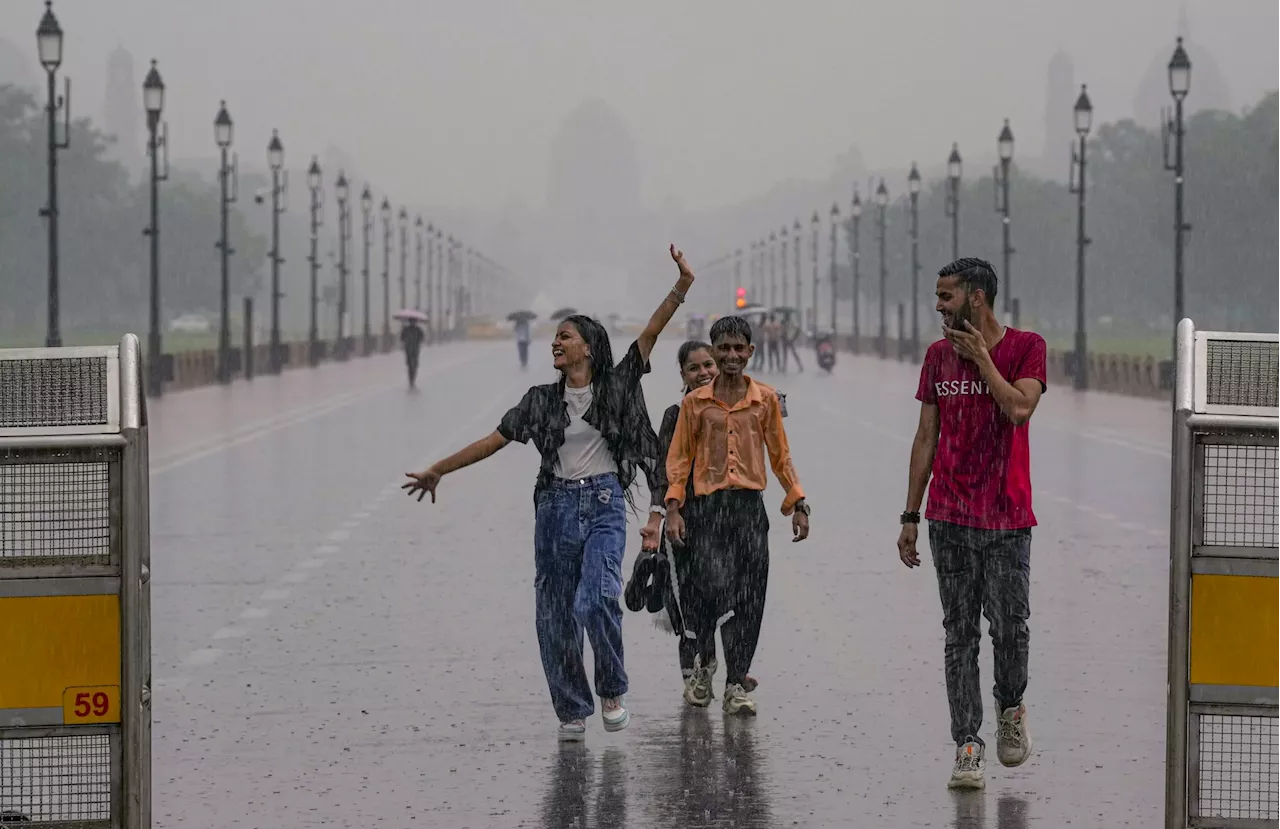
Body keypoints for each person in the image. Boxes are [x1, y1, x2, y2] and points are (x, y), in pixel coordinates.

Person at [403, 245, 696, 742]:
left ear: (588, 347)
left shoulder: (619, 384)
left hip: (603, 504)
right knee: (555, 612)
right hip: (555, 510)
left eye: (565, 336)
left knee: (597, 598)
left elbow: (650, 332)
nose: (555, 343)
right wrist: (440, 469)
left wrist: (682, 285)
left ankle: (611, 689)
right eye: (556, 337)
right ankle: (571, 710)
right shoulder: (540, 401)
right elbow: (491, 442)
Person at [896, 257, 1046, 790]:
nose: (938, 306)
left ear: (976, 297)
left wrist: (983, 360)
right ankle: (966, 744)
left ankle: (1010, 708)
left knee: (1009, 627)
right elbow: (924, 438)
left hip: (1007, 519)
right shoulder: (937, 358)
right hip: (950, 518)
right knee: (958, 635)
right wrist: (911, 514)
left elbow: (1019, 410)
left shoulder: (1026, 347)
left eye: (946, 296)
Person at [664, 316, 810, 716]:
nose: (730, 356)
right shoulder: (694, 404)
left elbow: (780, 454)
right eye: (722, 349)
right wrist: (673, 508)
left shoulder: (763, 400)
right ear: (713, 351)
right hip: (707, 512)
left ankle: (735, 683)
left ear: (750, 352)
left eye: (738, 348)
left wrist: (797, 502)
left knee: (749, 599)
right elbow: (679, 459)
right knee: (710, 592)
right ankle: (704, 665)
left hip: (748, 510)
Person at [635, 341, 760, 702]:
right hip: (686, 524)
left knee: (734, 599)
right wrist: (659, 516)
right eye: (694, 368)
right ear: (683, 376)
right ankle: (697, 674)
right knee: (691, 604)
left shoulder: (737, 410)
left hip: (730, 522)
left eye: (709, 365)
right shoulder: (675, 416)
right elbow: (663, 472)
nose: (704, 372)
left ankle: (735, 675)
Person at [401, 319, 425, 389]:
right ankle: (412, 380)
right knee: (412, 365)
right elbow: (422, 338)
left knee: (411, 365)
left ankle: (411, 380)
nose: (413, 323)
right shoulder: (417, 329)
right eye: (412, 322)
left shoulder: (408, 329)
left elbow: (402, 338)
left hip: (411, 350)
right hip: (413, 350)